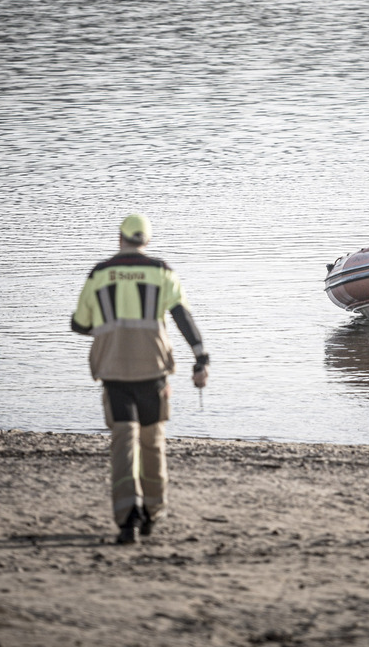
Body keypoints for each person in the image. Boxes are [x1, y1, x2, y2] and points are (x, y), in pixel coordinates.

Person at [71, 214, 209, 545]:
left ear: (120, 238)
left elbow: (78, 324)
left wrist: (109, 329)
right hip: (153, 373)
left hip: (114, 373)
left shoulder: (99, 274)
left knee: (122, 444)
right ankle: (152, 512)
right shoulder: (162, 272)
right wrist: (200, 357)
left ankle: (126, 520)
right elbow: (181, 316)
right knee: (152, 443)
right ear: (146, 241)